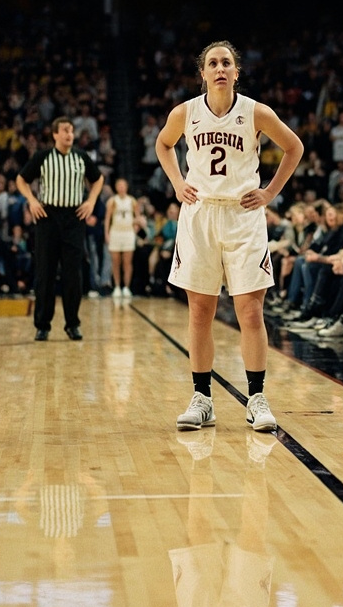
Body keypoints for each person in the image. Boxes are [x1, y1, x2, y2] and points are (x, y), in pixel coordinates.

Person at [155, 40, 303, 433]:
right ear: (202, 73)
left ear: (237, 72)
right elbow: (163, 144)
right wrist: (176, 182)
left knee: (250, 311)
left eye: (227, 63)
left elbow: (294, 147)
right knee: (200, 312)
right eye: (213, 63)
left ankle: (256, 398)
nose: (220, 68)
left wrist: (270, 192)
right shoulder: (185, 112)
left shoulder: (255, 111)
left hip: (243, 215)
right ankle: (202, 399)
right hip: (200, 215)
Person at [17, 116, 104, 341]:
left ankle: (72, 323)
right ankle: (43, 325)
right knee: (44, 272)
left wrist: (91, 201)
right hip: (48, 216)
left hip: (74, 217)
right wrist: (32, 200)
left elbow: (98, 179)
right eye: (65, 130)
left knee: (72, 273)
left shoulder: (81, 157)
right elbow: (21, 179)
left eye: (71, 131)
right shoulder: (43, 156)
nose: (69, 134)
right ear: (55, 134)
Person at [105, 177, 138, 299]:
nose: (121, 188)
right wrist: (107, 234)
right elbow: (108, 218)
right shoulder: (112, 201)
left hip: (128, 233)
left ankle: (127, 287)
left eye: (123, 185)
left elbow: (137, 217)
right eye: (119, 185)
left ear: (127, 187)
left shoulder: (132, 201)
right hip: (115, 232)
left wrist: (135, 228)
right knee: (115, 261)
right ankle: (117, 287)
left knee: (127, 262)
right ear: (116, 187)